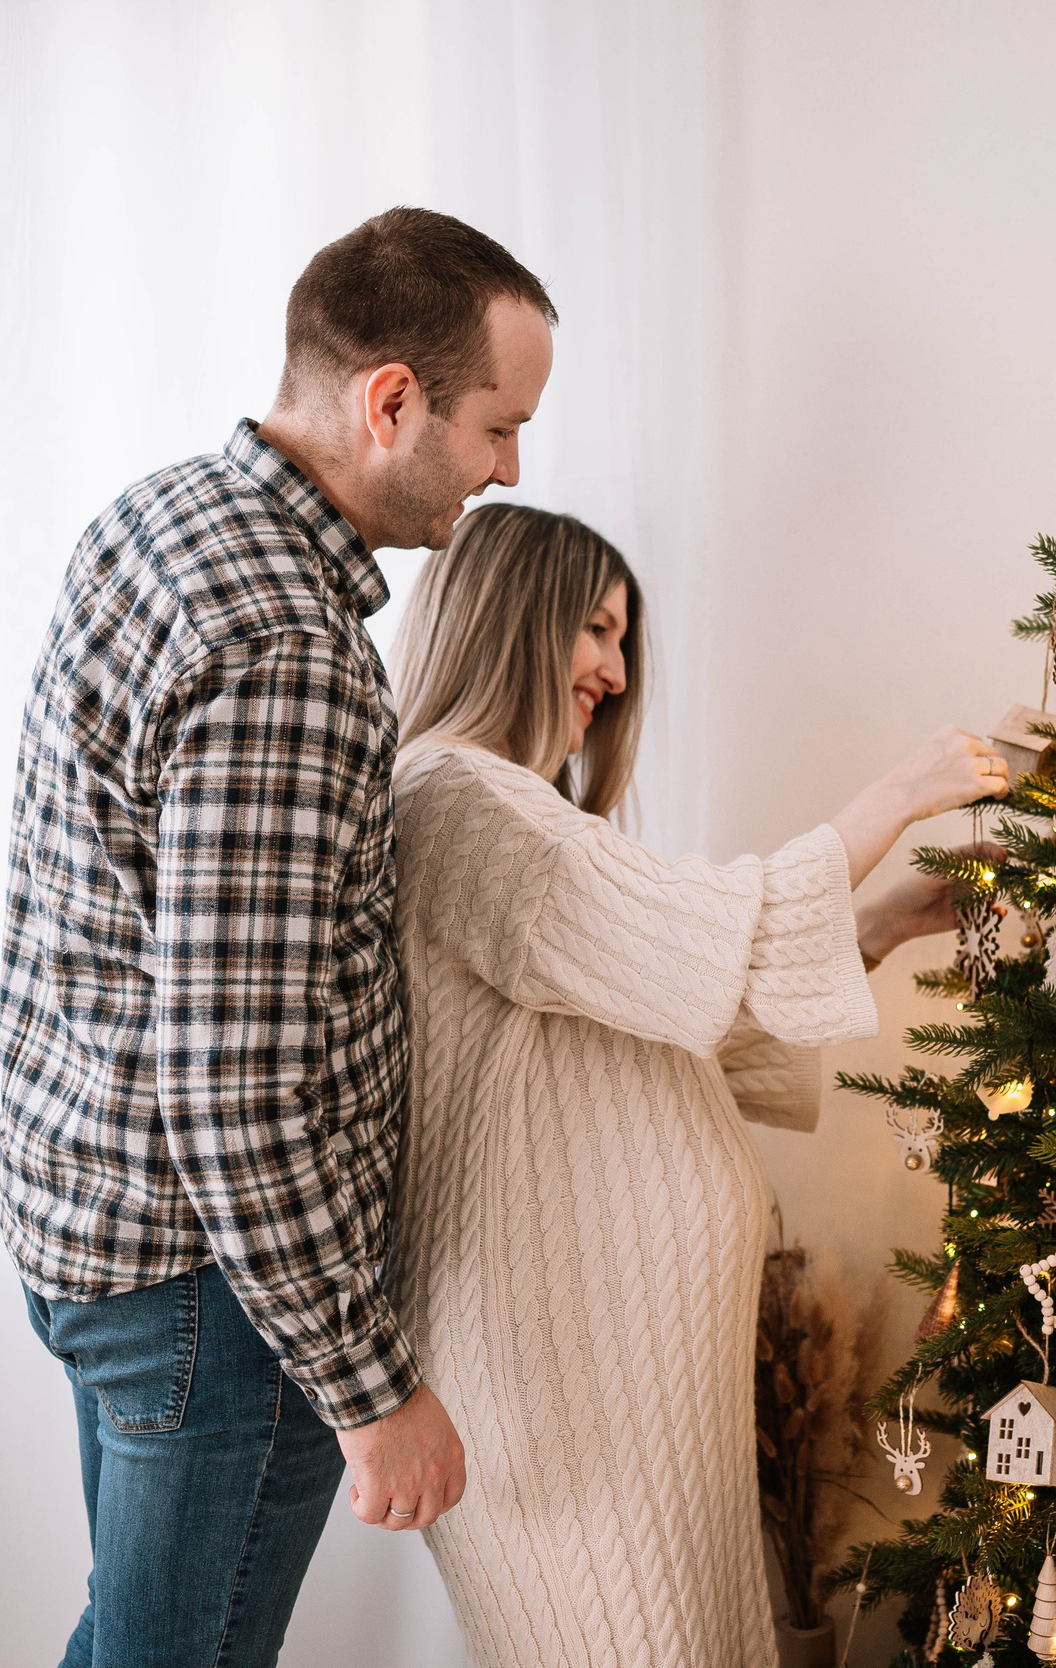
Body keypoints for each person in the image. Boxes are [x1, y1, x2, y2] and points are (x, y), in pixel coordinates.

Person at [0, 207, 552, 1668]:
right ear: (390, 400)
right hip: (212, 1296)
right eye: (500, 424)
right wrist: (372, 1388)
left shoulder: (160, 513)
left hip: (100, 1231)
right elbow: (237, 1087)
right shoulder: (285, 646)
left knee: (135, 1639)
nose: (509, 469)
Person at [386, 504, 1006, 1668]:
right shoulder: (462, 802)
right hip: (564, 1378)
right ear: (507, 618)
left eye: (624, 644)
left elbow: (670, 1010)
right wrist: (899, 794)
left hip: (626, 1379)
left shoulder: (505, 812)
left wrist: (874, 926)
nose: (614, 675)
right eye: (594, 630)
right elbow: (692, 937)